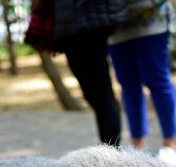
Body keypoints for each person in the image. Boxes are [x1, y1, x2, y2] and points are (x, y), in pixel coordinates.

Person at [26, 0, 127, 147]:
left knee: (102, 95)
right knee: (93, 96)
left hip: (91, 25)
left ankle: (110, 152)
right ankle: (108, 147)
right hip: (69, 30)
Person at [108, 1, 176, 167]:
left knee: (158, 81)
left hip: (151, 20)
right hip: (116, 26)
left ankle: (170, 146)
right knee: (128, 86)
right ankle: (137, 146)